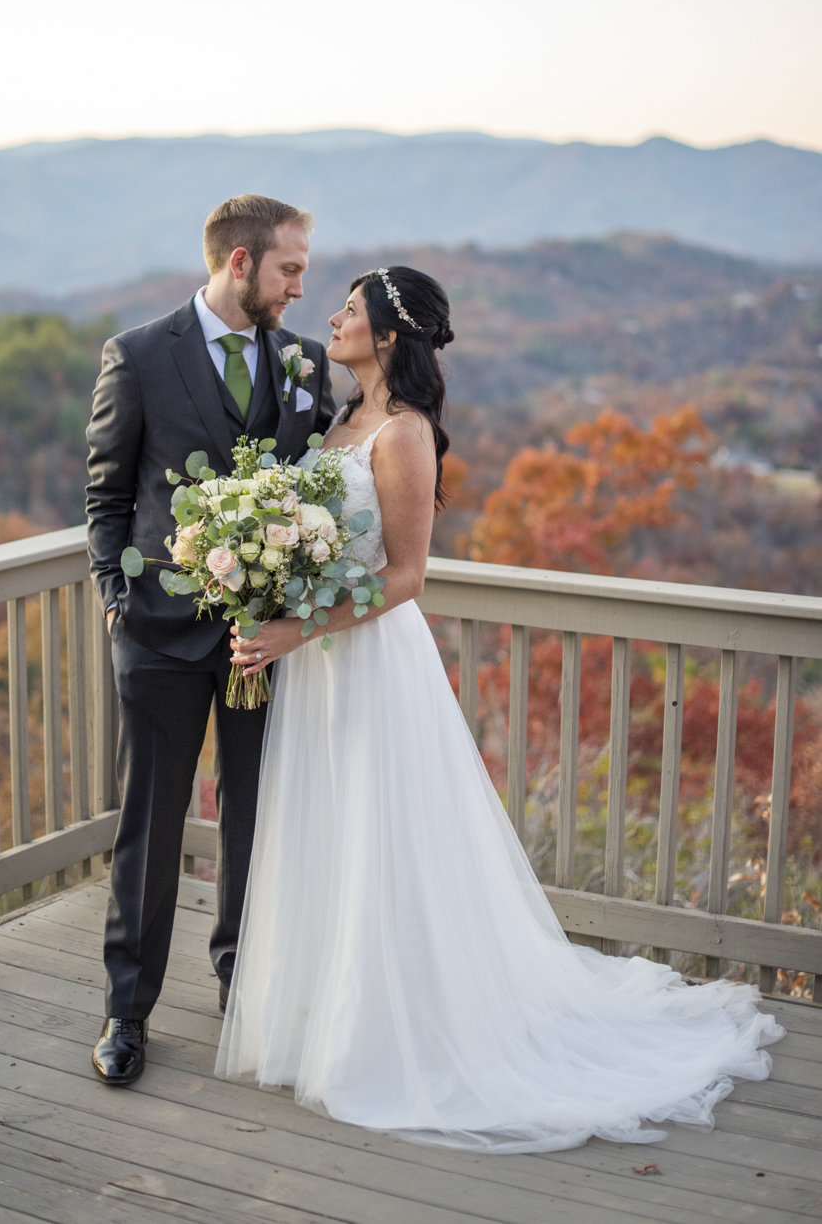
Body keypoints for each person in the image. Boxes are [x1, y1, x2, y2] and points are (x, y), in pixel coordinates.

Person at [218, 263, 782, 1153]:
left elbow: (406, 577)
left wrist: (300, 627)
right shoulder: (339, 420)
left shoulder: (403, 435)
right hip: (321, 659)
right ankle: (326, 1018)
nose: (332, 315)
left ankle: (397, 1032)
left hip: (368, 658)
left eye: (352, 310)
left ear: (389, 336)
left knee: (384, 835)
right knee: (332, 828)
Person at [85, 194, 335, 1085]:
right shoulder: (142, 356)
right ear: (240, 262)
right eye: (291, 269)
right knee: (149, 829)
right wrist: (115, 590)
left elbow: (320, 493)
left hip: (262, 642)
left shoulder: (305, 364)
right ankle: (127, 1012)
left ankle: (242, 985)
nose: (303, 287)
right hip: (157, 636)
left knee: (255, 823)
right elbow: (108, 491)